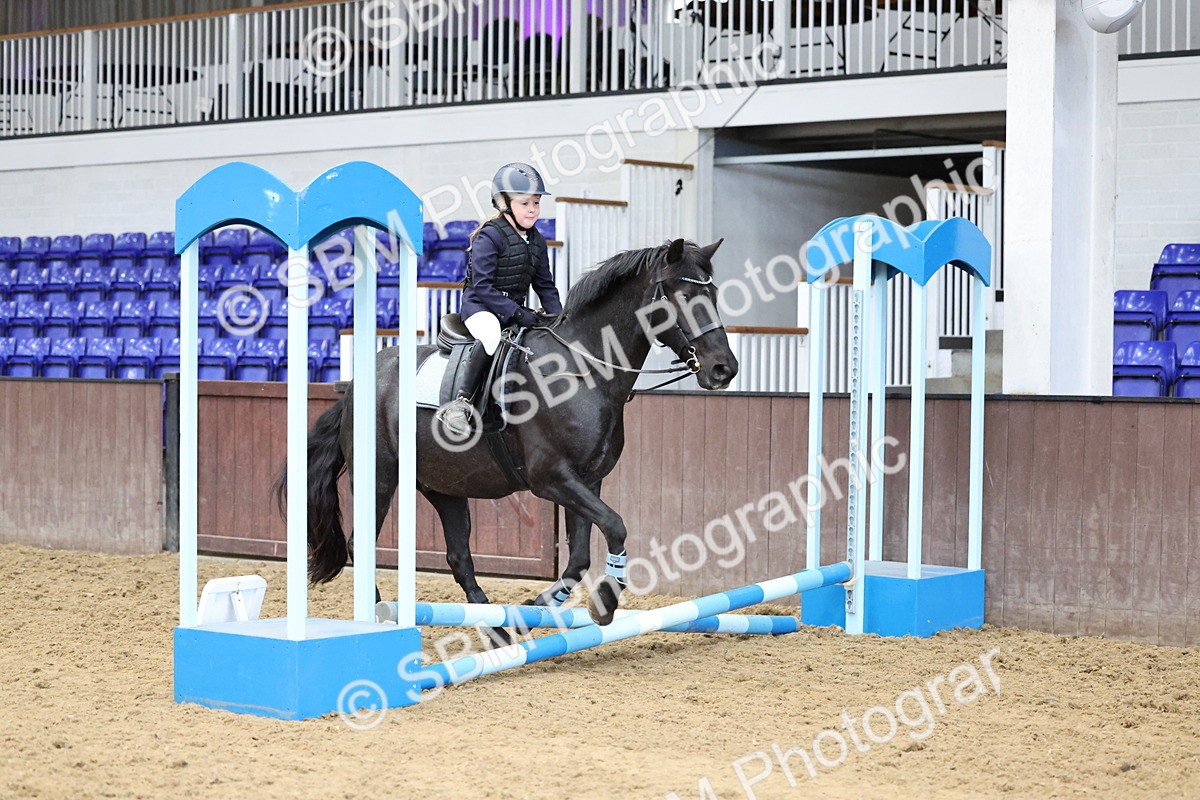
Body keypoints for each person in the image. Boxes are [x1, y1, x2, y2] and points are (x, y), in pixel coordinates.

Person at [437, 161, 563, 435]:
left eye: (536, 203)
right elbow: (482, 286)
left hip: (511, 310)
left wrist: (560, 320)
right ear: (504, 204)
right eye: (525, 203)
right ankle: (460, 403)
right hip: (480, 308)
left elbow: (545, 287)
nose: (532, 209)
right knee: (492, 334)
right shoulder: (490, 236)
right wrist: (517, 313)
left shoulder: (537, 241)